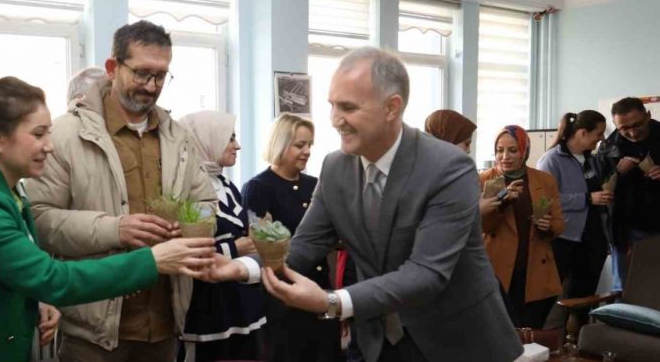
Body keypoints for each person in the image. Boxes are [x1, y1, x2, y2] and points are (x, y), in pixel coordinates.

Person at [208, 47, 523, 362]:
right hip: (377, 342)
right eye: (332, 106)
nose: (334, 120)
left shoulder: (448, 167)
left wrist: (331, 302)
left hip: (454, 342)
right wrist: (243, 267)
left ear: (391, 107)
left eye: (348, 107)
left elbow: (427, 272)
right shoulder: (335, 167)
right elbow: (305, 246)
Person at [0, 69, 216, 362]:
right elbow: (52, 277)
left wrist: (34, 299)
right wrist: (153, 260)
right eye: (38, 134)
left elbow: (7, 269)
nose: (50, 146)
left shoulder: (8, 190)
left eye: (49, 133)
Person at [25, 20, 218, 362]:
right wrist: (116, 229)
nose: (152, 86)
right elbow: (40, 219)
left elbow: (205, 202)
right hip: (93, 332)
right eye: (142, 73)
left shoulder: (179, 137)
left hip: (164, 324)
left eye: (161, 76)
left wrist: (190, 226)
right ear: (112, 68)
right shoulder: (66, 134)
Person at [241, 113, 341, 362]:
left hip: (320, 288)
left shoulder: (315, 183)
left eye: (310, 145)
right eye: (300, 145)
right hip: (282, 295)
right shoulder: (259, 187)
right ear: (280, 144)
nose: (307, 151)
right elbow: (261, 243)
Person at [176, 111, 265, 362]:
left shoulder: (226, 185)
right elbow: (186, 249)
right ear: (207, 140)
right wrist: (234, 249)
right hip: (208, 308)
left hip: (241, 303)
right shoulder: (188, 189)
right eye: (230, 138)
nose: (237, 145)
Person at [479, 125, 565, 329]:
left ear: (525, 151)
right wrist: (503, 200)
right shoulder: (484, 180)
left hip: (535, 266)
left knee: (531, 331)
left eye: (513, 150)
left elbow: (559, 223)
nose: (505, 156)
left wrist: (548, 226)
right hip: (497, 267)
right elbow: (483, 227)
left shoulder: (544, 180)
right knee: (499, 331)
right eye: (499, 150)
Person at [537, 111, 610, 308]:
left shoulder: (591, 160)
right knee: (548, 298)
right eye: (599, 133)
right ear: (583, 133)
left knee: (584, 297)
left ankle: (578, 336)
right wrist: (587, 199)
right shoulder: (551, 159)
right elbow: (545, 200)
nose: (602, 138)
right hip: (563, 238)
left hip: (592, 238)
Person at [596, 97, 660, 290]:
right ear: (615, 125)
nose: (632, 133)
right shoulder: (608, 147)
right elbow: (597, 189)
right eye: (624, 128)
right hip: (625, 229)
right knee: (625, 289)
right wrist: (618, 172)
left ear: (648, 116)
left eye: (637, 125)